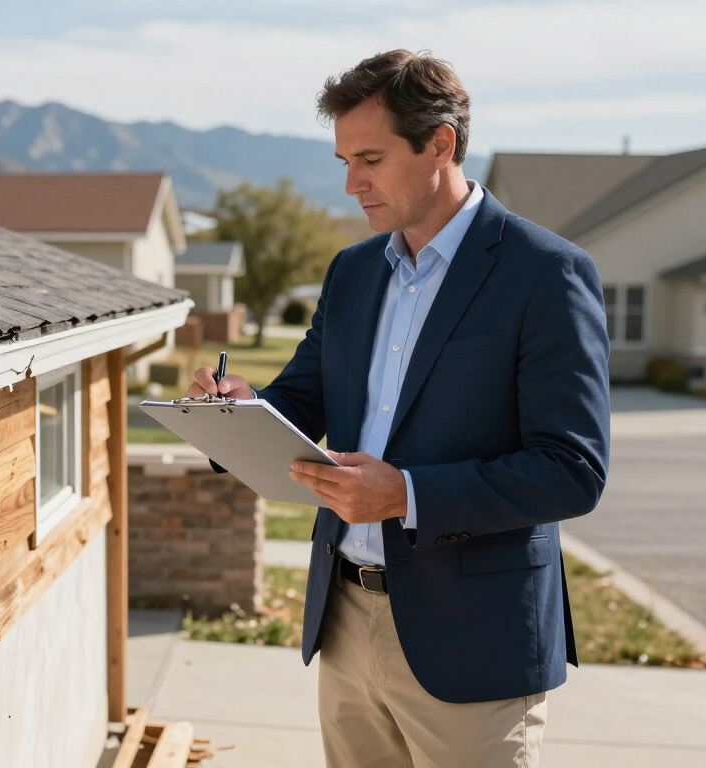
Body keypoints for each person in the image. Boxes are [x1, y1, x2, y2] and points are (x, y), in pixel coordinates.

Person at [188, 50, 611, 767]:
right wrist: (237, 409)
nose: (352, 184)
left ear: (440, 144)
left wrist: (406, 495)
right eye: (345, 160)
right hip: (345, 620)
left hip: (474, 640)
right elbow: (301, 399)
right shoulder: (352, 273)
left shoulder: (546, 273)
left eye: (372, 159)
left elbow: (571, 470)